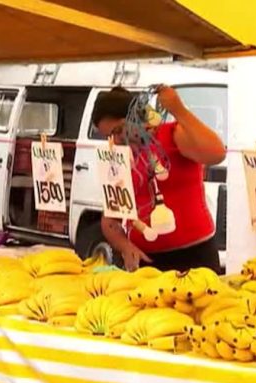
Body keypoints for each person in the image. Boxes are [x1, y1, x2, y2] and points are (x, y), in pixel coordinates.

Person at [91, 85, 226, 273]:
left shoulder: (173, 135)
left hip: (195, 255)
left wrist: (178, 110)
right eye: (109, 136)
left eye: (119, 130)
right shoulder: (117, 157)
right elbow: (111, 219)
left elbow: (216, 154)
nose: (117, 140)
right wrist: (125, 246)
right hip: (149, 262)